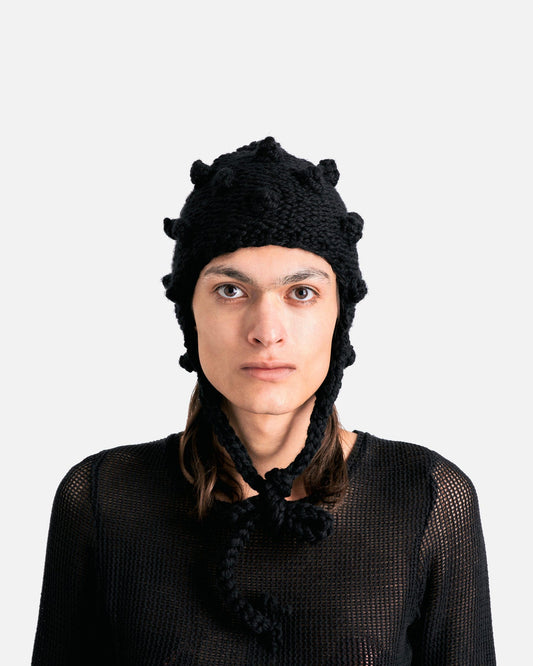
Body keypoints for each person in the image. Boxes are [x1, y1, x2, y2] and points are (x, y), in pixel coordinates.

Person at [31, 136, 496, 665]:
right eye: (231, 291)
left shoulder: (425, 496)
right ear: (190, 315)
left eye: (302, 293)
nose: (266, 331)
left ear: (339, 317)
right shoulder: (103, 498)